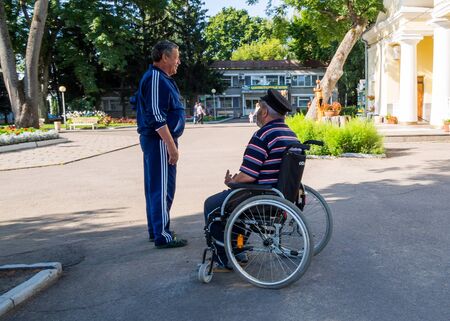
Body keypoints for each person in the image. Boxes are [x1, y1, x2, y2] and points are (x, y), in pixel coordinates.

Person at [203, 89, 299, 267]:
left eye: (257, 110)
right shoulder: (291, 134)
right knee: (236, 209)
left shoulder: (263, 135)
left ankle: (223, 257)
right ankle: (238, 249)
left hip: (261, 196)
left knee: (212, 206)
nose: (256, 114)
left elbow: (248, 175)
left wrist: (232, 182)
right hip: (281, 196)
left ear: (264, 112)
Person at [136, 40, 187, 249]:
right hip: (159, 141)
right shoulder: (156, 78)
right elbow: (156, 116)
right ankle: (163, 235)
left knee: (156, 186)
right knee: (162, 188)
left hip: (158, 140)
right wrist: (171, 147)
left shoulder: (160, 78)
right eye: (176, 57)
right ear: (164, 57)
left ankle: (156, 230)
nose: (179, 62)